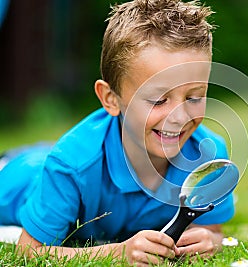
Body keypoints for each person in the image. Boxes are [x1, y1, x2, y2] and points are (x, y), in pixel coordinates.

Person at [0, 0, 235, 265]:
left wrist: (208, 240)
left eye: (194, 97)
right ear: (111, 98)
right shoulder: (69, 166)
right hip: (16, 175)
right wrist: (118, 252)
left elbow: (212, 229)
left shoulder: (208, 160)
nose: (179, 117)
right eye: (159, 100)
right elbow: (28, 253)